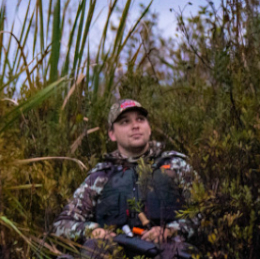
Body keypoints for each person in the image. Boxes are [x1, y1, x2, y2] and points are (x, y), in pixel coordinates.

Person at [52, 98, 193, 247]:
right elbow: (61, 224)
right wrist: (92, 231)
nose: (135, 126)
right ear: (112, 134)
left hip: (166, 253)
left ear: (149, 128)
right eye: (125, 122)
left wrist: (170, 231)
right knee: (92, 249)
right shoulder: (101, 177)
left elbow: (205, 215)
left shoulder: (176, 166)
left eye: (140, 119)